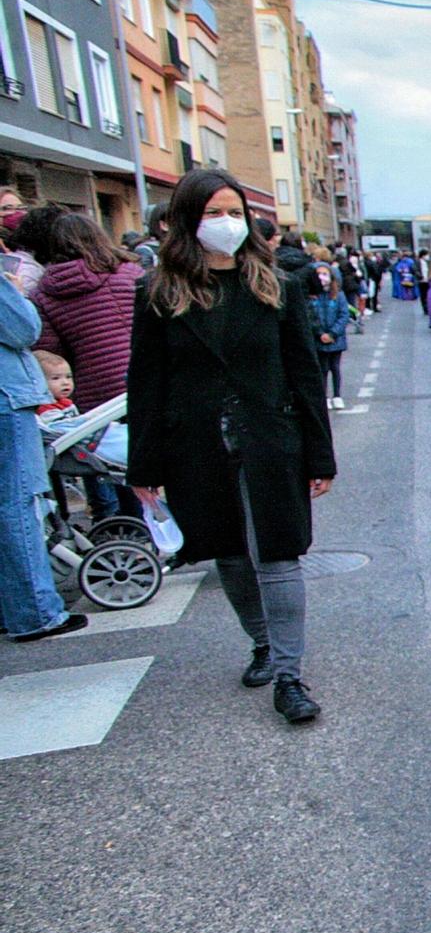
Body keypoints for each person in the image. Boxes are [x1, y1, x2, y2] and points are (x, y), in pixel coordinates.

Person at [126, 169, 336, 721]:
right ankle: (261, 642)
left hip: (270, 441)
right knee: (230, 553)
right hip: (196, 448)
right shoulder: (157, 294)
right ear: (188, 221)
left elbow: (304, 376)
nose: (228, 223)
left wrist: (320, 454)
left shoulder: (277, 288)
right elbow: (145, 384)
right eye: (214, 213)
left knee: (279, 554)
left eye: (235, 212)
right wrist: (143, 465)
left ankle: (289, 676)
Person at [1, 276, 84, 640]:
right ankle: (35, 612)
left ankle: (13, 607)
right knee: (18, 504)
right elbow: (23, 330)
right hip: (7, 397)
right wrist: (13, 291)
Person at [28, 212, 141, 415]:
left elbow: (50, 357)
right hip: (145, 378)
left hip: (94, 396)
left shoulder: (42, 295)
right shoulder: (129, 273)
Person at [306, 264, 350, 407]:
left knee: (335, 367)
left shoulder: (339, 295)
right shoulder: (311, 296)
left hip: (336, 339)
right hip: (319, 338)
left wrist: (333, 333)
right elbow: (310, 316)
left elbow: (344, 315)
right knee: (322, 368)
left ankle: (337, 395)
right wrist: (320, 333)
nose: (322, 277)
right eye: (319, 274)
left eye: (325, 274)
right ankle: (324, 396)